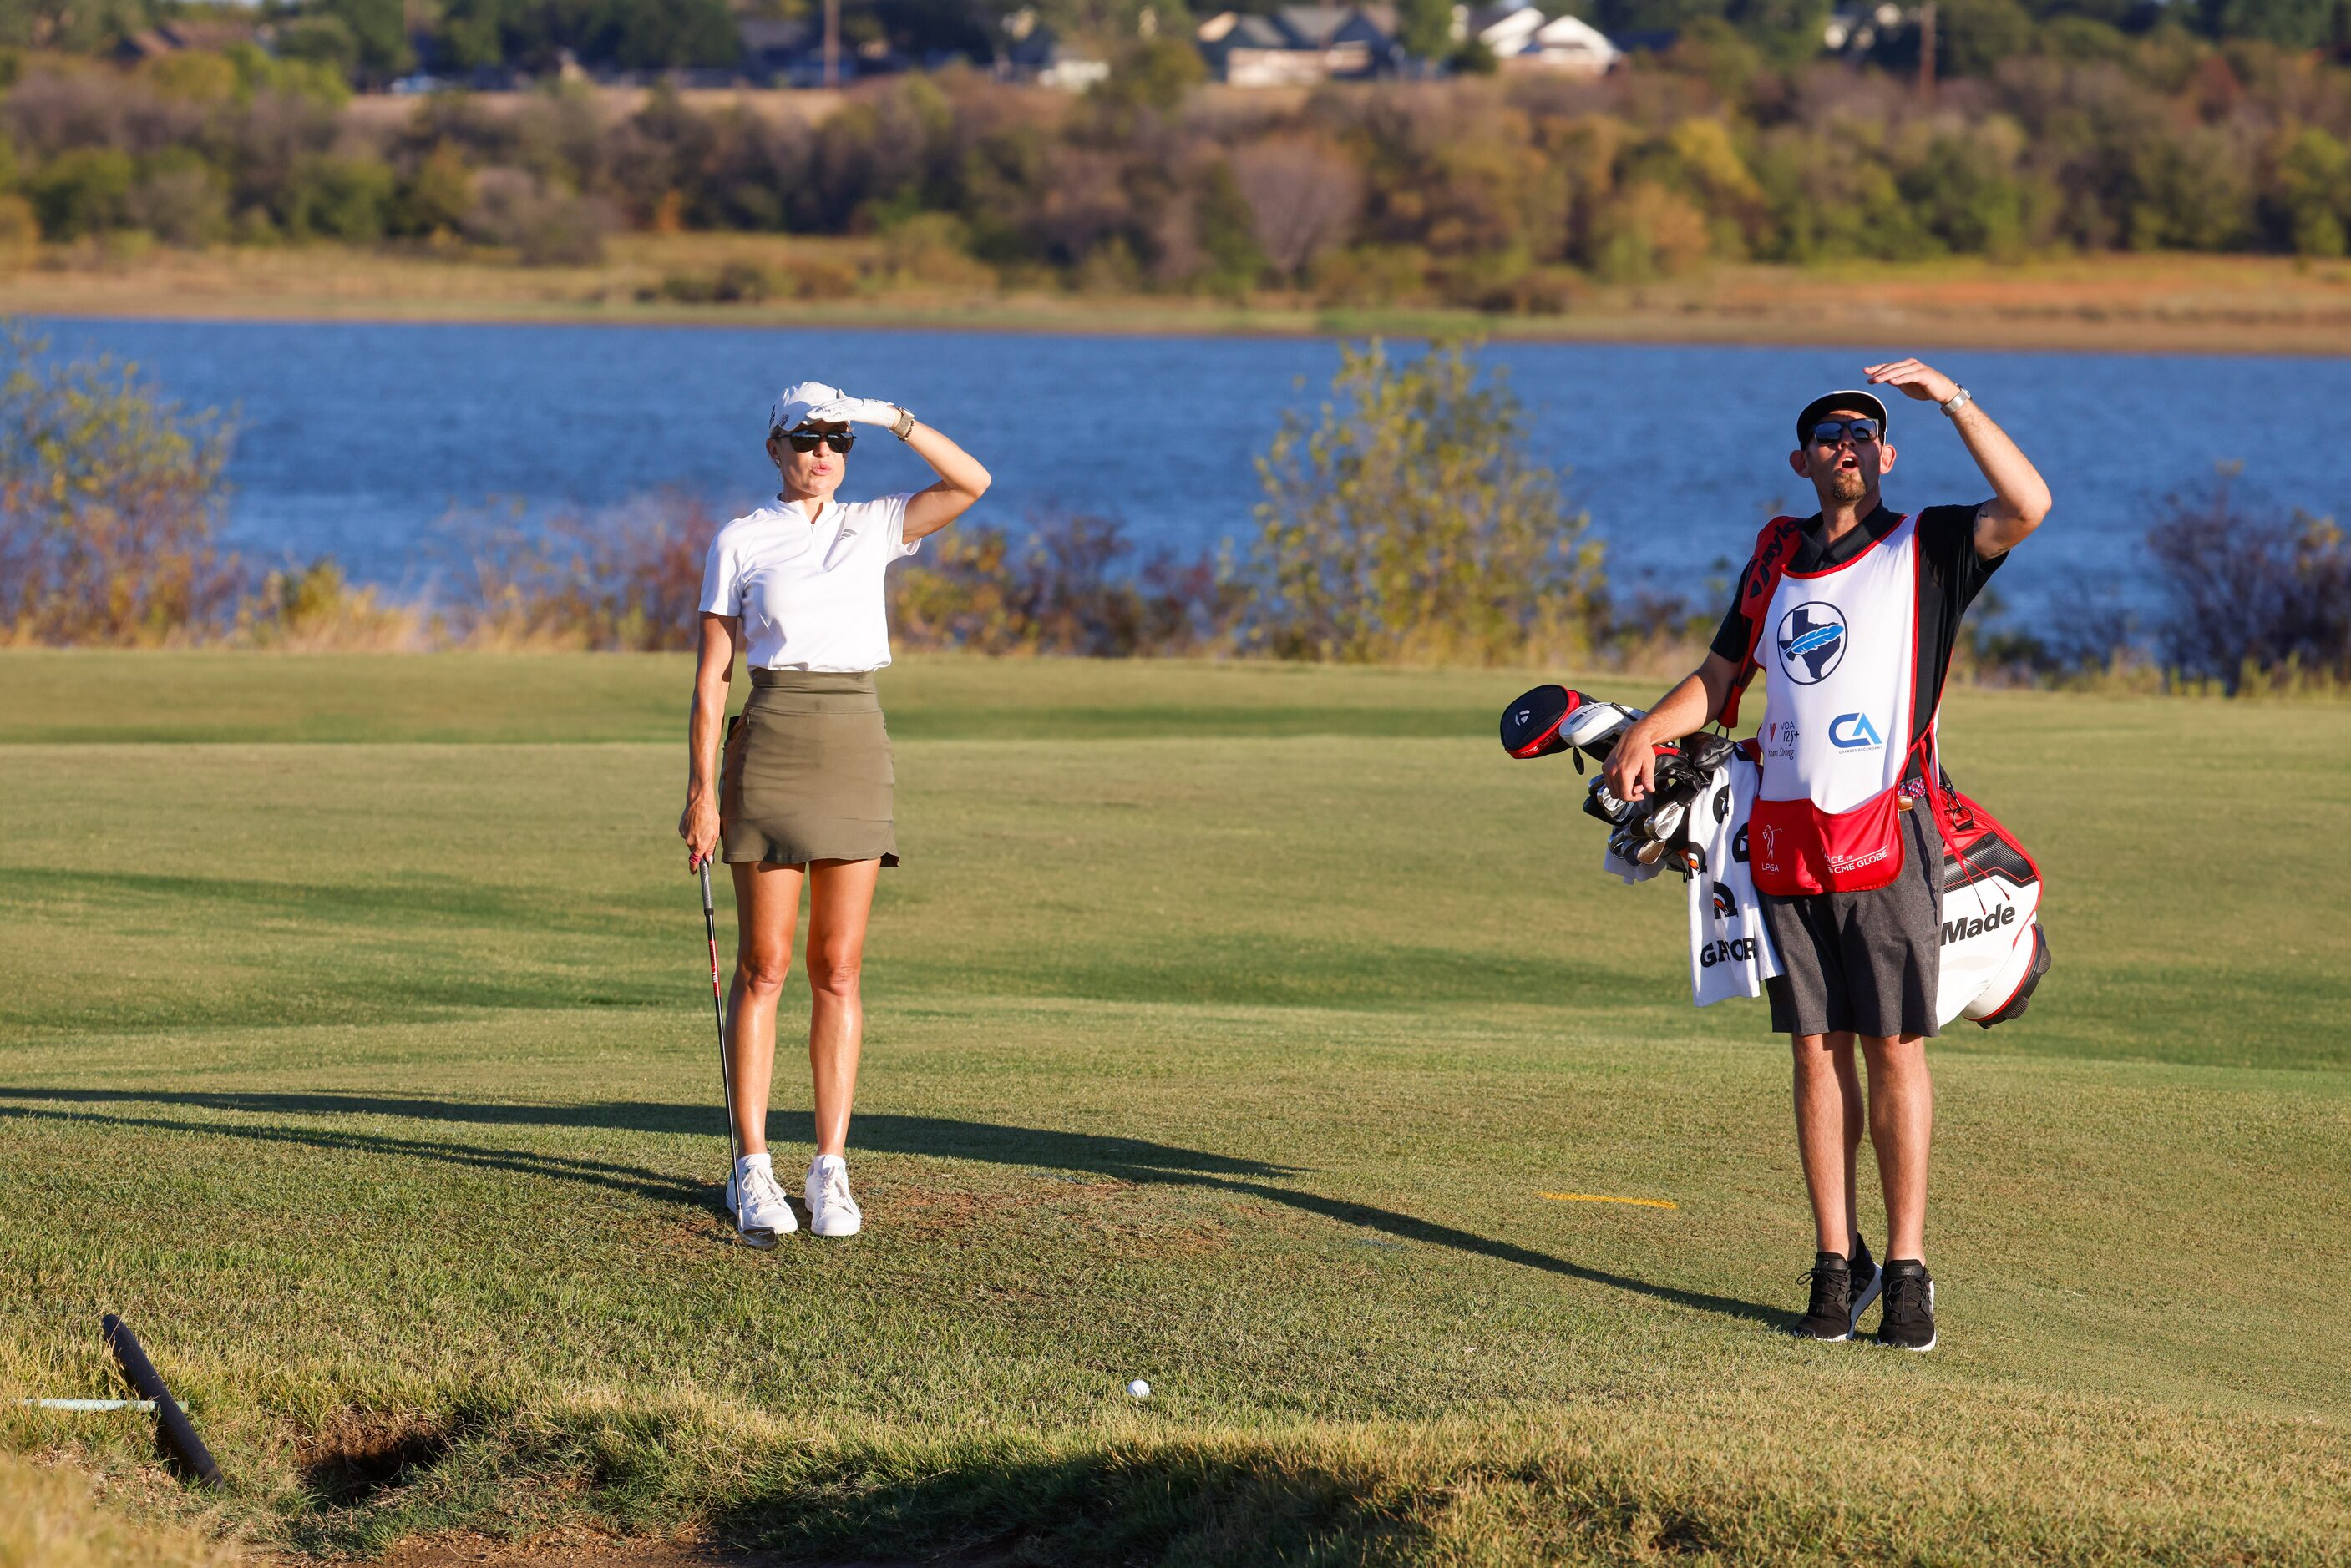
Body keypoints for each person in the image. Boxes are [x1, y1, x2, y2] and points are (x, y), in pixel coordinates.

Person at [1602, 358, 2050, 1352]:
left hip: (1888, 832)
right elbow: (1721, 677)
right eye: (1826, 437)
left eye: (1862, 434)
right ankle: (1832, 1264)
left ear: (1884, 454)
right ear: (1801, 460)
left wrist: (1956, 402)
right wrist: (1645, 731)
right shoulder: (1773, 556)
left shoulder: (1929, 543)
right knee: (1814, 1049)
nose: (1844, 447)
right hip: (1785, 833)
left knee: (1894, 1047)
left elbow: (2028, 502)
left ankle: (1908, 1271)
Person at [677, 382, 990, 1244]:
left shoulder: (875, 523)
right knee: (765, 966)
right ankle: (752, 1167)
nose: (822, 455)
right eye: (805, 440)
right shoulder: (740, 538)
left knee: (838, 968)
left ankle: (830, 1168)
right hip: (771, 740)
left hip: (855, 742)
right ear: (774, 449)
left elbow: (972, 484)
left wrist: (898, 419)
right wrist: (702, 791)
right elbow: (713, 679)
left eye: (837, 442)